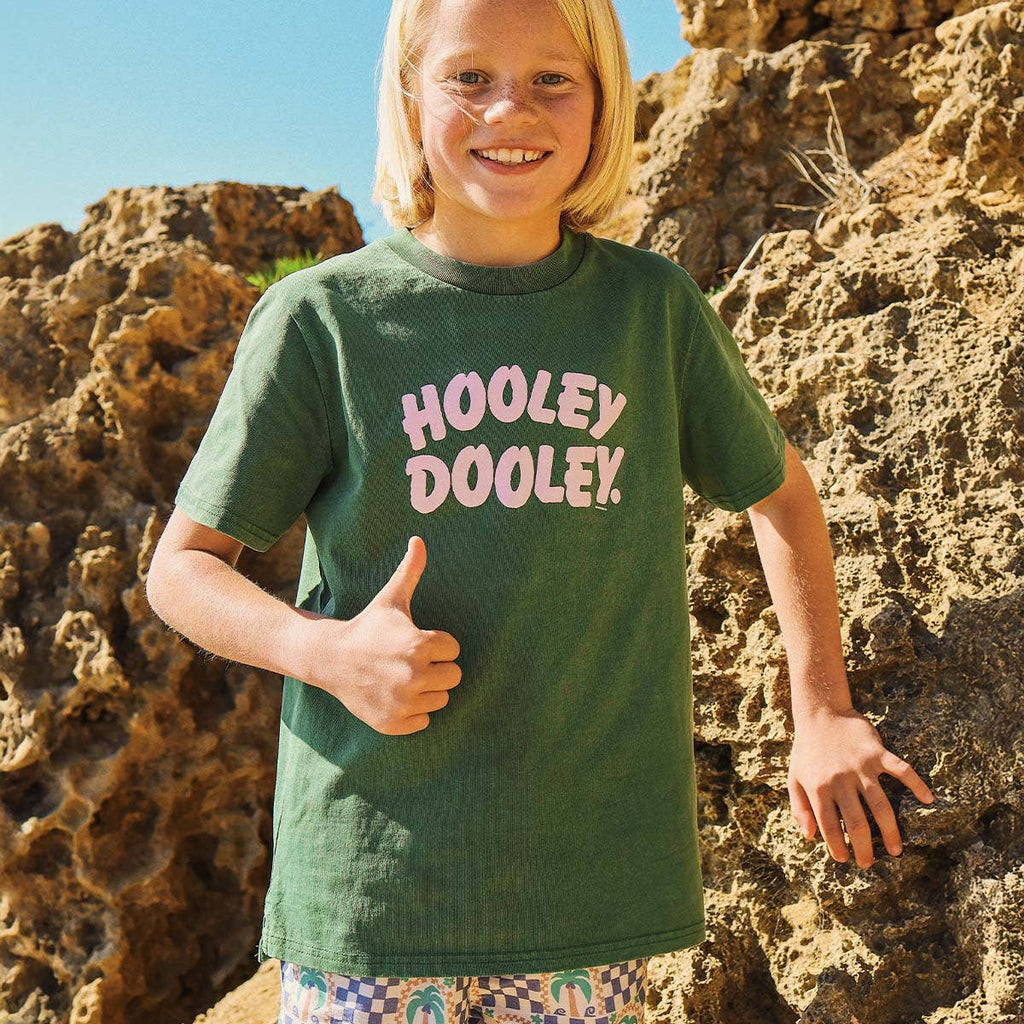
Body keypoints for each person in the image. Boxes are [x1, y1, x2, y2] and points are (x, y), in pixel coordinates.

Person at [145, 0, 936, 1020]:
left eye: (553, 79)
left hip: (585, 891)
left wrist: (820, 711)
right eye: (469, 77)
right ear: (409, 98)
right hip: (376, 892)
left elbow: (779, 492)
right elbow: (182, 569)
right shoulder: (324, 319)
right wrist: (323, 651)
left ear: (603, 103)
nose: (510, 109)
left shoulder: (649, 311)